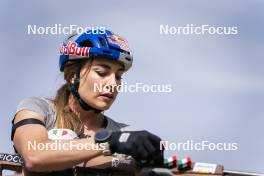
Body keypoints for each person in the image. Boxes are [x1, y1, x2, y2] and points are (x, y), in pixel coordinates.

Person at [11, 29, 163, 175]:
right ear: (73, 76)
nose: (113, 83)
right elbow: (34, 156)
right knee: (62, 137)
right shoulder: (39, 108)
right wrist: (110, 142)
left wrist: (154, 167)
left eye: (118, 76)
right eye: (102, 73)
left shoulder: (123, 133)